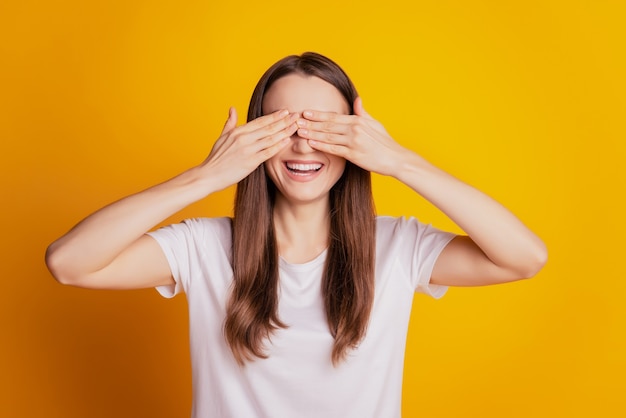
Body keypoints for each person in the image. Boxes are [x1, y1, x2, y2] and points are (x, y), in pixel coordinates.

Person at [45, 52, 547, 418]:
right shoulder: (203, 247)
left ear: (353, 140)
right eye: (284, 126)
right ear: (256, 138)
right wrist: (205, 176)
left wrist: (400, 161)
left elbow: (524, 257)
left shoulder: (398, 247)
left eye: (324, 126)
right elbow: (69, 263)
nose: (304, 144)